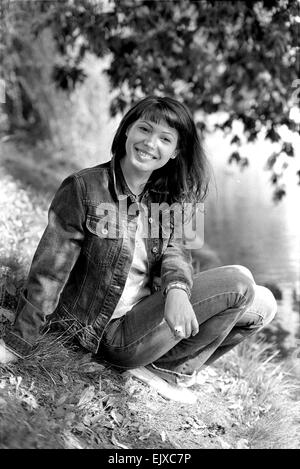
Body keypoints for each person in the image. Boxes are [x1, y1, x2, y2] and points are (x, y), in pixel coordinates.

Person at [0, 96, 277, 403]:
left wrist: (177, 289)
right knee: (239, 281)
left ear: (176, 152)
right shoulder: (84, 187)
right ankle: (161, 367)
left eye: (165, 138)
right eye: (144, 129)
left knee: (263, 303)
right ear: (127, 131)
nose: (150, 143)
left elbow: (177, 252)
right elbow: (49, 270)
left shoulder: (171, 198)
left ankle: (167, 369)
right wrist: (18, 342)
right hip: (108, 332)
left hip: (147, 315)